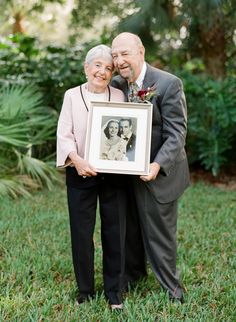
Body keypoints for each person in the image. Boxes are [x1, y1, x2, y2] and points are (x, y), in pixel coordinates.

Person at [111, 32, 190, 302]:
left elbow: (177, 134)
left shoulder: (168, 84)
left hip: (159, 174)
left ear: (141, 51)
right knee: (130, 230)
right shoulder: (117, 85)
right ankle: (133, 277)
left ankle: (173, 290)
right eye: (115, 55)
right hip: (127, 174)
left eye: (125, 53)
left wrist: (157, 165)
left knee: (159, 235)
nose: (119, 60)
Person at [56, 44, 127, 310]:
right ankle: (85, 290)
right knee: (82, 234)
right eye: (97, 65)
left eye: (108, 68)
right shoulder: (72, 95)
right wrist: (76, 160)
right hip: (80, 173)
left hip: (114, 175)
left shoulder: (119, 96)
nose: (103, 71)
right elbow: (64, 134)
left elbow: (128, 132)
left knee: (114, 232)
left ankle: (114, 293)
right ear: (87, 68)